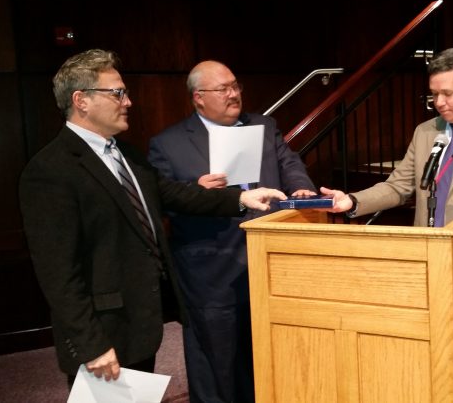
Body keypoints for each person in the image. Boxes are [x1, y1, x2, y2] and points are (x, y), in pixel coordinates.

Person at [18, 49, 286, 387]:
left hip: (140, 320)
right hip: (104, 330)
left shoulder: (125, 153)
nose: (128, 101)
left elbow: (174, 194)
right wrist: (91, 344)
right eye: (117, 93)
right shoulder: (51, 170)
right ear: (81, 101)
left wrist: (242, 197)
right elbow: (58, 275)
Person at [320, 47, 453, 403]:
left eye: (447, 93)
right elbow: (397, 186)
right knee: (435, 363)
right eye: (434, 94)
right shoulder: (425, 133)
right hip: (427, 267)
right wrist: (352, 201)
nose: (439, 102)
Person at [148, 60, 316, 403]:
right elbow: (160, 202)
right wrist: (194, 187)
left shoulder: (264, 126)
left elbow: (290, 164)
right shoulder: (168, 143)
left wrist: (301, 189)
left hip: (269, 263)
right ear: (198, 98)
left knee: (270, 360)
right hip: (211, 272)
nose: (233, 94)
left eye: (235, 86)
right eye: (223, 89)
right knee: (217, 368)